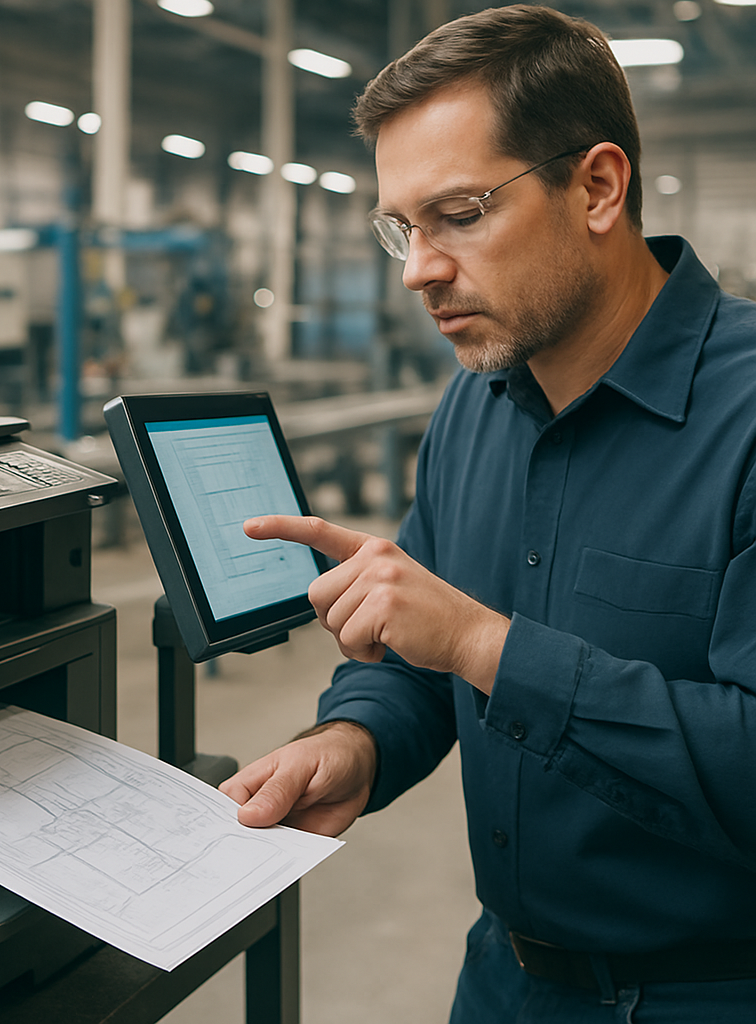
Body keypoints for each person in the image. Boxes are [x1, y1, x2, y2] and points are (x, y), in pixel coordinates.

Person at [217, 5, 756, 1021]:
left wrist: (488, 646)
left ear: (596, 186)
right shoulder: (477, 401)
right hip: (504, 984)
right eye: (400, 227)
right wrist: (355, 739)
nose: (418, 267)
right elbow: (421, 658)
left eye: (458, 214)